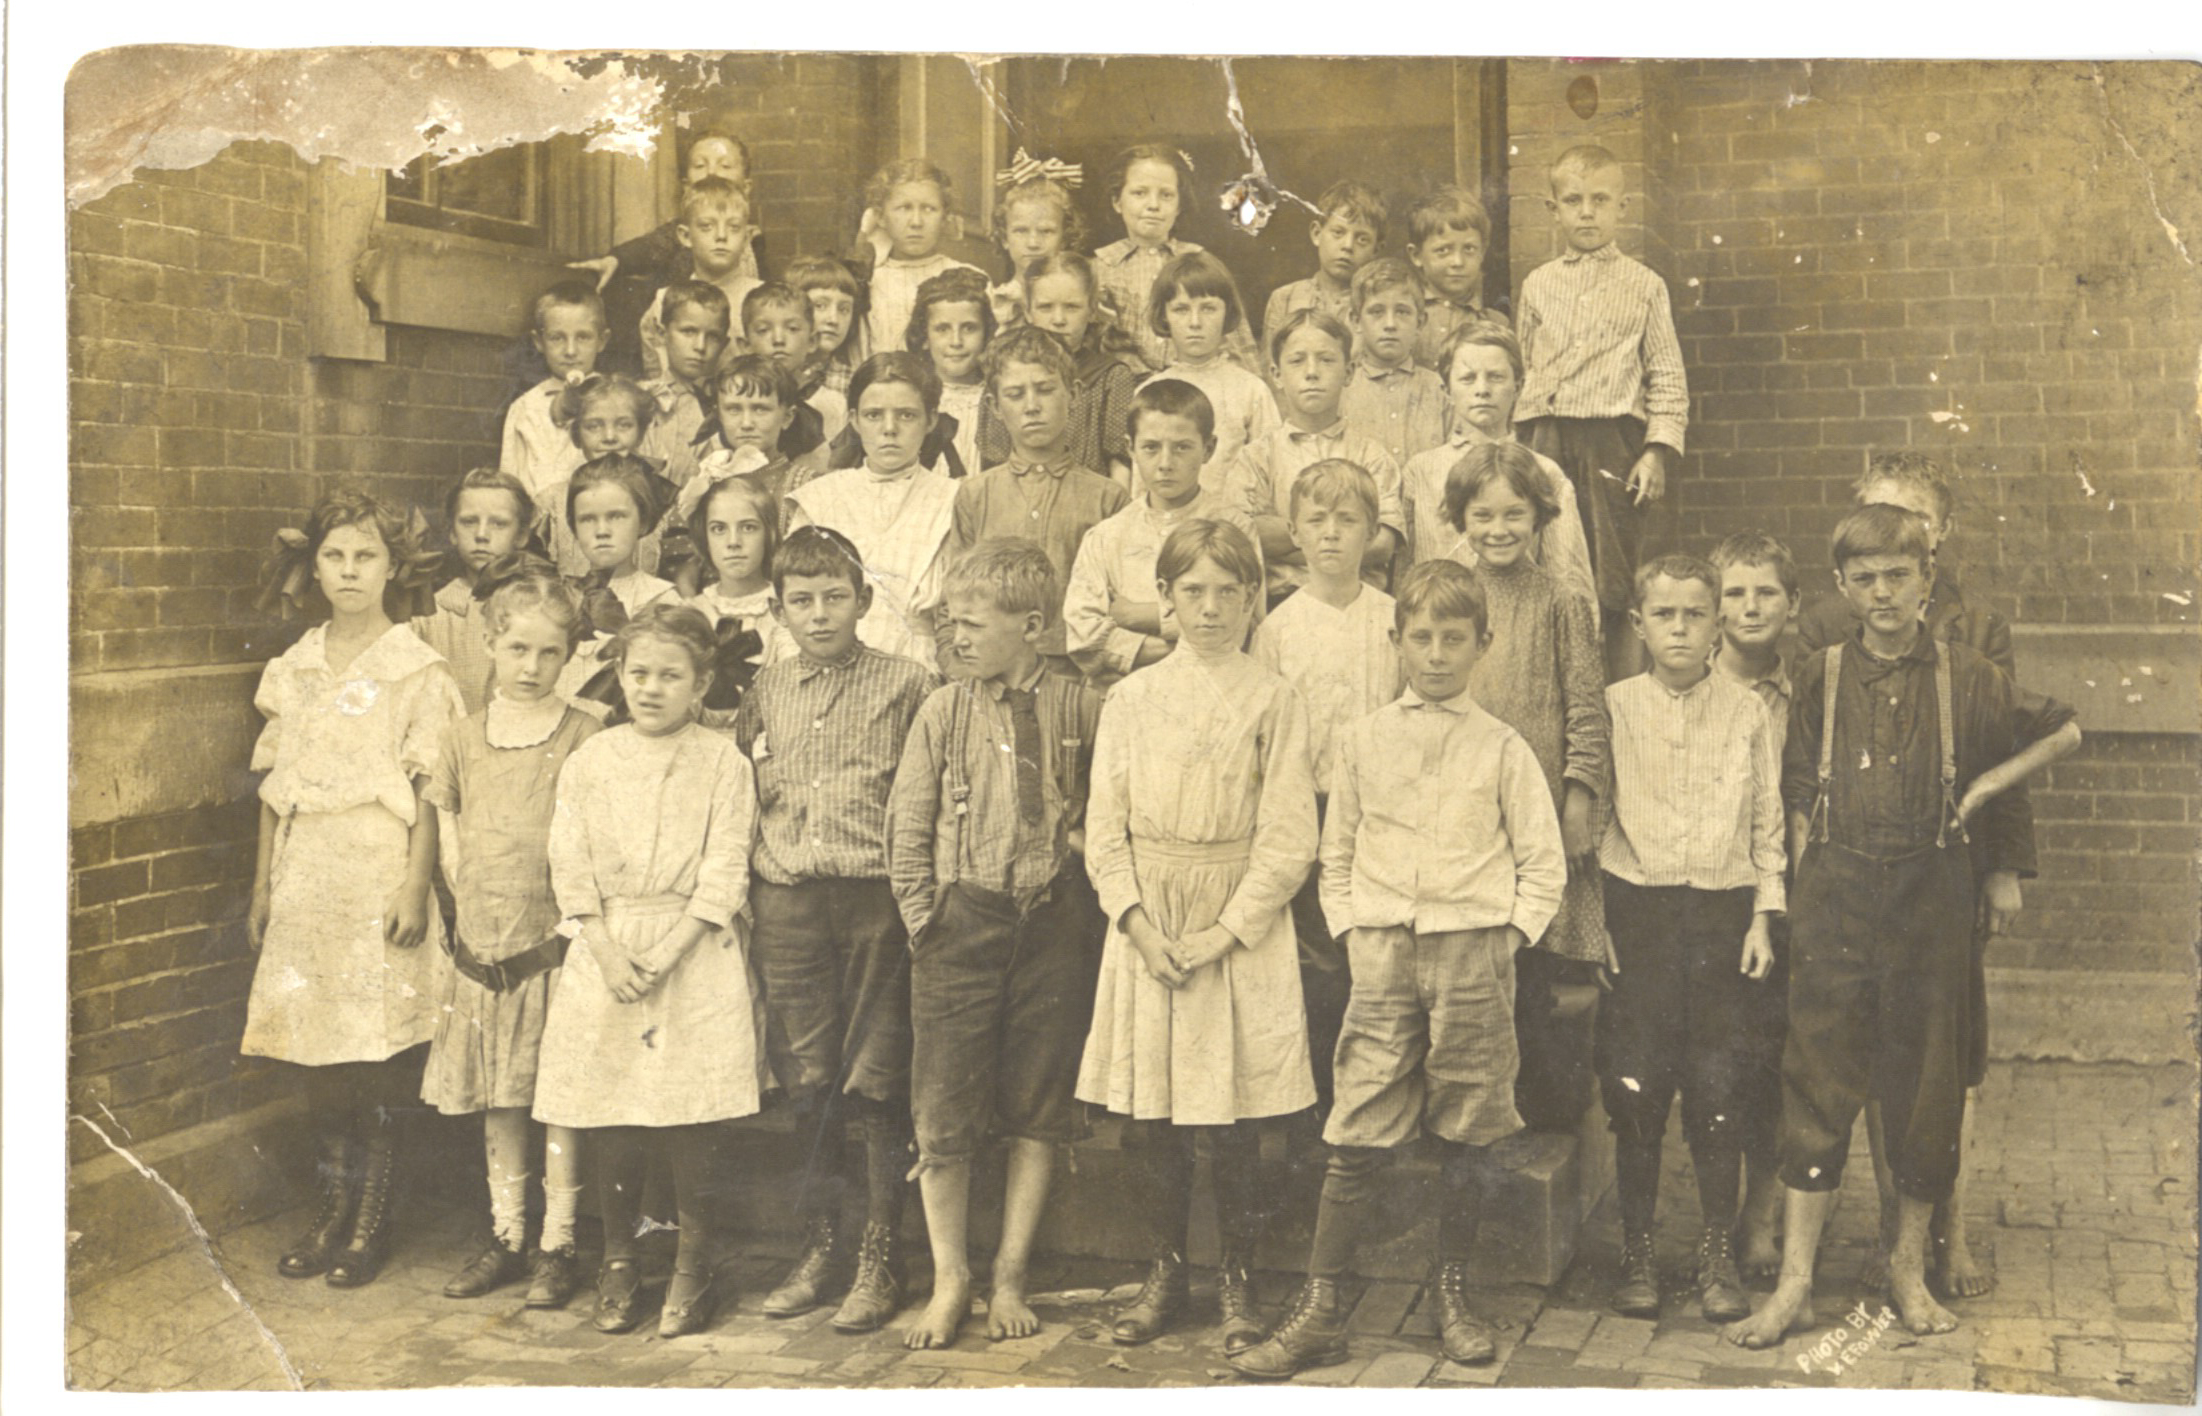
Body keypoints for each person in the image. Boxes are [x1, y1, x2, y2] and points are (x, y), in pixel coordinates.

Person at [1726, 505, 2080, 1349]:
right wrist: (1805, 889)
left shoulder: (1969, 676)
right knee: (1816, 1088)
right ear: (1842, 587)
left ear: (1927, 579)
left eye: (1898, 575)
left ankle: (1907, 1270)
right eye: (1865, 579)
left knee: (1925, 1090)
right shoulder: (1821, 673)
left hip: (1931, 901)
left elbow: (2065, 727)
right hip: (1837, 902)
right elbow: (1796, 792)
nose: (1883, 593)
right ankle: (1794, 1285)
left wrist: (1983, 790)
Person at [1230, 560, 1565, 1378]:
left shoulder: (1503, 747)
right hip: (1382, 954)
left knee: (1469, 1125)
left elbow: (1542, 862)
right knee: (1358, 1121)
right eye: (1422, 638)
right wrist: (1354, 931)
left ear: (1483, 644)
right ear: (1397, 642)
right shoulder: (1363, 740)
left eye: (1455, 639)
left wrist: (1506, 938)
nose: (1437, 655)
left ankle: (1452, 1294)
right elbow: (1337, 851)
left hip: (1474, 952)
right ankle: (1321, 1307)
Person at [1077, 519, 1317, 1356]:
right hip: (1150, 925)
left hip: (1235, 927)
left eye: (1227, 592)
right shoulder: (1131, 699)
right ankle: (1165, 1271)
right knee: (1154, 1116)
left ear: (1253, 597)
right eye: (1192, 591)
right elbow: (1103, 831)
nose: (1210, 608)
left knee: (1239, 1115)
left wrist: (1226, 931)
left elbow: (1288, 838)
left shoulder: (1274, 699)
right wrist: (1139, 926)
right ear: (1165, 599)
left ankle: (1238, 1276)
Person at [1795, 453, 2022, 1300]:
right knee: (1859, 1048)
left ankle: (1944, 1235)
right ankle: (1888, 1230)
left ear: (1938, 537)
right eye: (1876, 513)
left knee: (1942, 1055)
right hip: (1856, 867)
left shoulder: (1978, 628)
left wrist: (2002, 867)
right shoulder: (1826, 626)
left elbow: (2003, 750)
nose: (1892, 535)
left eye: (1912, 519)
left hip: (1945, 867)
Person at [886, 539, 1107, 1350]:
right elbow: (908, 827)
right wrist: (927, 921)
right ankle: (952, 1277)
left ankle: (1011, 1272)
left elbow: (1107, 813)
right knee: (942, 1110)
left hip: (1053, 927)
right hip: (962, 924)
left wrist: (1074, 868)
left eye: (974, 624)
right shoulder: (944, 711)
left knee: (1038, 1108)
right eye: (950, 622)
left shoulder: (1082, 707)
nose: (957, 637)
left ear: (1033, 626)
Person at [245, 485, 465, 1289]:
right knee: (316, 1055)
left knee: (374, 1054)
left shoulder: (416, 669)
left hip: (378, 867)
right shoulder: (295, 667)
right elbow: (275, 788)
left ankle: (371, 1220)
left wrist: (414, 886)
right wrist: (263, 888)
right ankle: (330, 1209)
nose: (348, 571)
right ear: (313, 567)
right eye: (334, 556)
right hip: (309, 873)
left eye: (365, 556)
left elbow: (430, 790)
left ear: (393, 567)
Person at [532, 603, 764, 1339]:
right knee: (614, 1106)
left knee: (689, 1109)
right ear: (620, 676)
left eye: (670, 676)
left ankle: (694, 1265)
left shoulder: (722, 763)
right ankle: (619, 1258)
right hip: (609, 951)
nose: (652, 688)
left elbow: (725, 870)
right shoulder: (591, 761)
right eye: (639, 674)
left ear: (700, 685)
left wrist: (665, 954)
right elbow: (569, 863)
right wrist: (604, 947)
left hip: (691, 950)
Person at [734, 526, 939, 1333]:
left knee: (876, 1079)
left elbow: (927, 797)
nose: (818, 615)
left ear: (863, 600)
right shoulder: (766, 689)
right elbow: (747, 786)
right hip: (789, 902)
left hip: (874, 902)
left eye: (833, 598)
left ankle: (881, 1258)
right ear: (778, 610)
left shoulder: (908, 683)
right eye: (801, 601)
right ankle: (821, 1247)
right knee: (809, 1079)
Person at [1595, 554, 1786, 1324]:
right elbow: (1594, 822)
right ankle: (1638, 1253)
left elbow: (1767, 821)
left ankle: (1714, 1252)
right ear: (1639, 625)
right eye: (1664, 615)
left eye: (1695, 614)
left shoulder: (1746, 712)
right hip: (1636, 918)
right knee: (1635, 1091)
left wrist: (1763, 916)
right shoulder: (1613, 708)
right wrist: (1596, 924)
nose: (1679, 629)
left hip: (1721, 919)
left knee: (1718, 1090)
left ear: (1718, 625)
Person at [423, 564, 603, 1309]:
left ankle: (559, 1244)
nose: (531, 667)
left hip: (554, 949)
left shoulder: (585, 733)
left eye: (549, 653)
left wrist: (573, 932)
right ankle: (507, 1235)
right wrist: (464, 922)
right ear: (491, 644)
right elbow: (449, 833)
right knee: (500, 1097)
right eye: (518, 649)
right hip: (485, 949)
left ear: (570, 655)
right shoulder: (463, 737)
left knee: (555, 1097)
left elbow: (596, 841)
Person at [1447, 442, 1611, 1132]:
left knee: (1536, 965)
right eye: (1482, 515)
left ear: (1540, 516)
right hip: (1467, 809)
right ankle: (1481, 1113)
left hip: (1539, 809)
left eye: (1514, 514)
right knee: (1476, 959)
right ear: (1460, 518)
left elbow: (1586, 710)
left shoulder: (1561, 600)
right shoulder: (1450, 596)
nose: (1498, 529)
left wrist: (1577, 803)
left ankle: (1544, 1121)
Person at [1248, 459, 1403, 1119]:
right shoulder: (1278, 629)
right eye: (1317, 520)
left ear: (1373, 531)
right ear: (1295, 532)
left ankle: (1378, 1105)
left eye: (1348, 520)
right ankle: (1317, 1115)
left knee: (1376, 957)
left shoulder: (1394, 619)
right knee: (1318, 964)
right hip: (1307, 811)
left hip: (1380, 816)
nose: (1332, 534)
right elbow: (1265, 737)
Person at [1514, 143, 1689, 681]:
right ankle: (1559, 689)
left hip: (1613, 444)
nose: (1586, 212)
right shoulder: (1538, 284)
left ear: (1622, 207)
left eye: (1600, 200)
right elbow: (1525, 366)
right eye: (1573, 201)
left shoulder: (1644, 285)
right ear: (1553, 209)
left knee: (1613, 574)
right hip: (1547, 438)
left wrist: (1656, 451)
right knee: (1547, 562)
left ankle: (1619, 688)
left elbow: (1666, 373)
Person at [1709, 530, 1804, 1281]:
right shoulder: (1685, 682)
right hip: (1714, 893)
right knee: (1722, 1062)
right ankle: (1715, 1216)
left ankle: (1763, 1214)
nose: (1750, 607)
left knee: (1776, 1060)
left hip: (1787, 896)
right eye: (1735, 593)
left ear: (1792, 605)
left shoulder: (1809, 695)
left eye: (1766, 592)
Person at [947, 325, 1131, 676]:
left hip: (1077, 673)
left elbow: (1119, 603)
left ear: (1073, 395)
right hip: (992, 672)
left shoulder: (1108, 498)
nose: (1032, 407)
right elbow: (954, 600)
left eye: (1045, 390)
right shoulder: (975, 495)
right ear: (994, 406)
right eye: (1015, 394)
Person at [1062, 379, 1255, 690]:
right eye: (1151, 447)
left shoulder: (1234, 529)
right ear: (1131, 448)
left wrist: (1137, 616)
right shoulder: (1107, 536)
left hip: (1213, 691)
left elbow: (1239, 626)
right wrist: (1182, 641)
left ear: (1208, 449)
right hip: (1127, 695)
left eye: (1182, 447)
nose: (1165, 463)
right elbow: (1084, 637)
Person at [1403, 325, 1598, 624]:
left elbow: (1569, 577)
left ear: (1518, 387)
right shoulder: (1421, 470)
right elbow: (1405, 574)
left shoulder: (1545, 471)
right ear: (1446, 390)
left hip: (1522, 624)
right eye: (1468, 378)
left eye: (1496, 377)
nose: (1482, 389)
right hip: (1443, 627)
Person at [785, 352, 961, 672]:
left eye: (906, 415)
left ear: (931, 420)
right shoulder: (821, 498)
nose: (889, 429)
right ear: (854, 420)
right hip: (828, 665)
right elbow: (795, 600)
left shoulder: (954, 499)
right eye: (874, 415)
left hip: (918, 666)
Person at [1230, 310, 1402, 606]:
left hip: (1360, 604)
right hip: (1281, 604)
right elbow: (1243, 536)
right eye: (1297, 360)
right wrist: (1341, 538)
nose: (1312, 372)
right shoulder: (1256, 458)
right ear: (1276, 374)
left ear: (1348, 372)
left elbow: (1382, 544)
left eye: (1326, 360)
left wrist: (1287, 539)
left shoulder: (1371, 456)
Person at [1094, 143, 1256, 374]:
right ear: (1117, 202)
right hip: (1125, 388)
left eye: (1166, 195)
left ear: (1179, 205)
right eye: (1139, 193)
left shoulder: (1200, 262)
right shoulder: (1100, 267)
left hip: (1195, 384)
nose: (1153, 205)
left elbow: (1239, 346)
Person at [976, 253, 1138, 485]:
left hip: (1088, 498)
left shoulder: (1111, 376)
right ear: (1028, 311)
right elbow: (993, 461)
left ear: (1092, 310)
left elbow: (1120, 462)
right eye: (1045, 307)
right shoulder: (1006, 374)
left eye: (1072, 307)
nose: (1059, 319)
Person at [1140, 249, 1279, 497]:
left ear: (1227, 313)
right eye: (1181, 309)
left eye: (1208, 309)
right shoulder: (1150, 391)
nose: (1195, 322)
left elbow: (1273, 471)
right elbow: (1141, 487)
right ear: (1164, 315)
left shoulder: (1251, 390)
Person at [549, 455, 682, 713]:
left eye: (617, 516)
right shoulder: (561, 596)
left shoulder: (661, 600)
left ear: (643, 522)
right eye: (587, 519)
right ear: (574, 527)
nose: (602, 531)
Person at [565, 131, 763, 301]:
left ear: (746, 187)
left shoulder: (752, 239)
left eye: (725, 166)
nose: (711, 172)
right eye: (700, 165)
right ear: (686, 187)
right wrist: (616, 260)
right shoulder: (682, 233)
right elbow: (650, 247)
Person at [414, 468, 537, 715]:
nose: (481, 535)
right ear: (452, 532)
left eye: (499, 524)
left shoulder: (540, 608)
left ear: (521, 535)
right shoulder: (430, 615)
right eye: (469, 522)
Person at [684, 475, 795, 717]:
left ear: (769, 534)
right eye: (719, 529)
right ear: (705, 538)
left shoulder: (785, 612)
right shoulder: (691, 614)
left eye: (748, 527)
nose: (733, 542)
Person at [853, 158, 984, 361]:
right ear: (880, 217)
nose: (916, 222)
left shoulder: (970, 279)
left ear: (945, 217)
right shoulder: (868, 283)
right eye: (904, 208)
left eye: (929, 209)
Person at [546, 373, 675, 578]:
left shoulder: (666, 499)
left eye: (624, 425)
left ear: (641, 434)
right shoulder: (551, 503)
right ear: (577, 436)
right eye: (594, 426)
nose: (609, 437)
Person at [638, 178, 759, 381]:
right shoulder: (664, 300)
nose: (721, 236)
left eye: (733, 227)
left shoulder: (760, 299)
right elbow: (656, 373)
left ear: (746, 238)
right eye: (706, 226)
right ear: (686, 236)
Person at [501, 282, 609, 501]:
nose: (570, 351)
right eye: (557, 338)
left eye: (583, 337)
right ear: (539, 342)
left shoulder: (617, 399)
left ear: (602, 341)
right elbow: (509, 485)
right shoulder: (524, 408)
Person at [1339, 258, 1448, 469]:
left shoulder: (1438, 388)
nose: (1390, 324)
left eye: (1402, 312)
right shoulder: (1342, 389)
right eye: (1376, 312)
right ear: (1356, 320)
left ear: (1420, 322)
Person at [637, 280, 733, 496]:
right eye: (689, 332)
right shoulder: (640, 399)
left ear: (724, 344)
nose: (700, 346)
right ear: (662, 333)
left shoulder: (722, 408)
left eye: (712, 337)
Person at [1262, 180, 1386, 343]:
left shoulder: (1381, 304)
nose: (1348, 246)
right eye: (1338, 232)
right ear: (1317, 233)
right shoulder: (1284, 298)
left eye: (1362, 239)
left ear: (1376, 250)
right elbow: (1271, 357)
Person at [907, 268, 996, 479]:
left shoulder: (997, 398)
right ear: (925, 337)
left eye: (969, 328)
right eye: (942, 329)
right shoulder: (912, 398)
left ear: (986, 335)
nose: (956, 341)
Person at [1408, 185, 1508, 372]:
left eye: (1469, 249)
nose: (1458, 262)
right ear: (1416, 255)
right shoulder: (1403, 315)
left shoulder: (1495, 324)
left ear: (1482, 253)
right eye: (1443, 250)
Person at [743, 281, 849, 445]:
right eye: (764, 330)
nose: (778, 339)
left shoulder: (833, 404)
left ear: (812, 342)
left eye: (792, 328)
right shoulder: (737, 401)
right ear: (746, 345)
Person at [986, 166, 1085, 330]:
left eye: (1046, 231)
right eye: (1021, 231)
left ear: (1064, 238)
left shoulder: (1078, 300)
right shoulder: (994, 304)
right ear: (1004, 238)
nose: (1033, 243)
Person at [784, 254, 864, 397]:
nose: (833, 320)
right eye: (820, 306)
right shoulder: (772, 371)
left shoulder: (852, 383)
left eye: (844, 309)